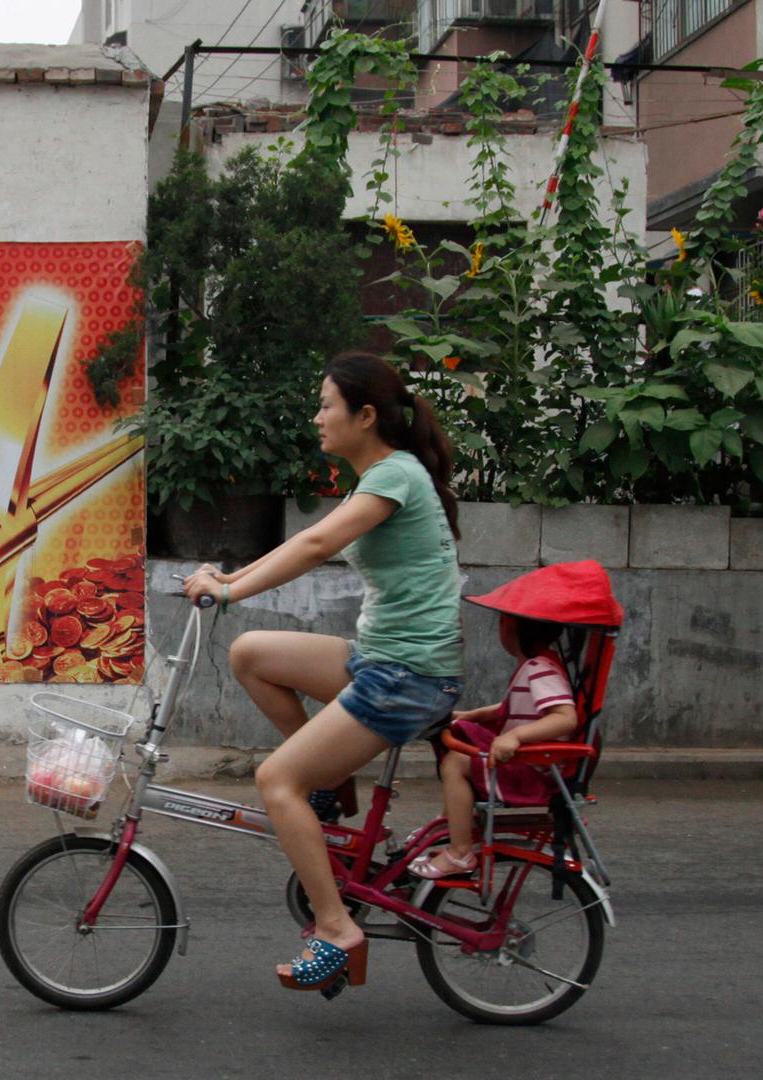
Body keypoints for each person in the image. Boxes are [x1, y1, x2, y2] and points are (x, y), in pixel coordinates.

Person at [181, 351, 462, 992]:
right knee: (251, 653)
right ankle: (334, 790)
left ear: (365, 416)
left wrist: (227, 592)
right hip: (384, 663)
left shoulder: (395, 477)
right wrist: (231, 580)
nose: (317, 418)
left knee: (276, 781)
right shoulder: (390, 474)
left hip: (406, 678)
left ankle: (336, 928)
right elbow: (306, 541)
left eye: (326, 405)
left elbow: (314, 546)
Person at [410, 611, 578, 880]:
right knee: (458, 742)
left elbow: (565, 717)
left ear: (509, 628)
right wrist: (472, 716)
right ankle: (452, 821)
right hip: (528, 764)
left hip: (532, 772)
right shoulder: (536, 666)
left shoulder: (540, 669)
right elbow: (507, 708)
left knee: (456, 763)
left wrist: (516, 736)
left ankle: (460, 851)